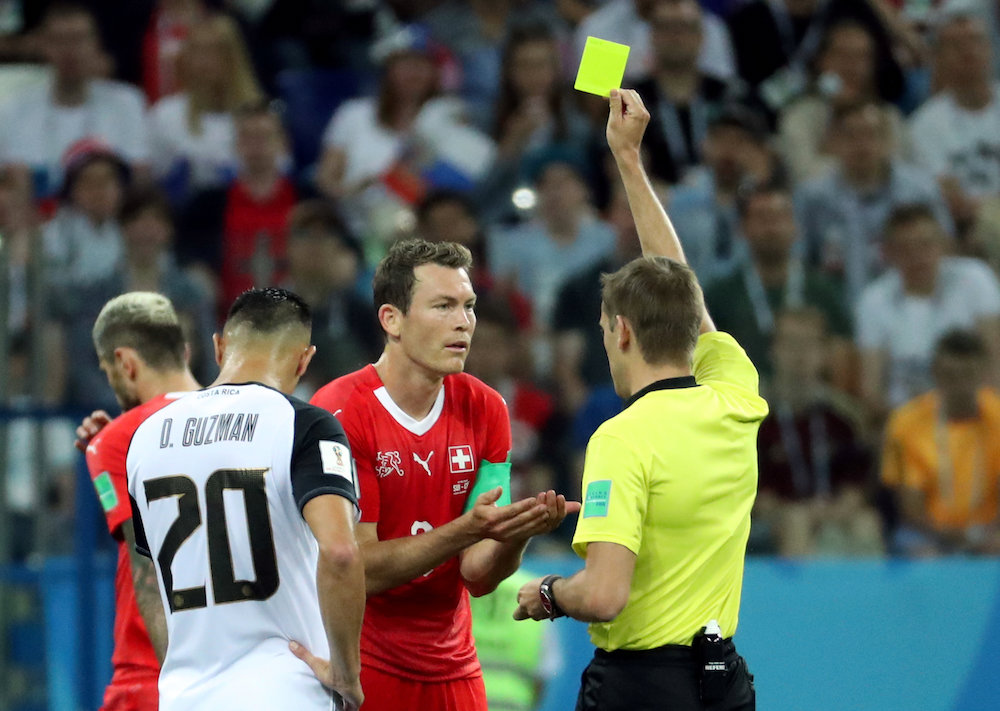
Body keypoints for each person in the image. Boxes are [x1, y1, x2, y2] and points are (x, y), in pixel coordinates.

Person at [514, 88, 763, 711]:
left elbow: (603, 596)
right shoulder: (736, 394)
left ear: (621, 331)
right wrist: (628, 159)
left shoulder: (622, 438)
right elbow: (681, 289)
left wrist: (547, 592)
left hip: (642, 690)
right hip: (724, 683)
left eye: (604, 330)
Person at [304, 238, 579, 711]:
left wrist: (515, 533)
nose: (464, 323)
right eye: (443, 306)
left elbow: (477, 574)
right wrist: (466, 529)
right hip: (363, 664)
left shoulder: (486, 407)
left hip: (455, 670)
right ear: (392, 320)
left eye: (468, 306)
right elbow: (361, 567)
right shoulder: (339, 411)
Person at [126, 287, 364, 710]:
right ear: (304, 360)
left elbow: (150, 579)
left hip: (184, 697)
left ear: (218, 347)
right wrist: (346, 673)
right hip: (286, 692)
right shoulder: (305, 425)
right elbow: (342, 552)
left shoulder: (144, 438)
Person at [83, 292, 201, 711]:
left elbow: (146, 566)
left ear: (126, 362)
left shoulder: (113, 442)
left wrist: (180, 686)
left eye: (107, 370)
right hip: (237, 670)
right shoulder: (243, 421)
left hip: (155, 674)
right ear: (183, 351)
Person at [856, 204, 1000, 419]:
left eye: (925, 245)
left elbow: (994, 362)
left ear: (943, 243)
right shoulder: (874, 299)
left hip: (973, 417)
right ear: (889, 253)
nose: (917, 257)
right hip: (907, 421)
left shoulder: (975, 278)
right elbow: (872, 389)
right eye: (905, 248)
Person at [882, 330, 1000, 556]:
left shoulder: (997, 417)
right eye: (951, 376)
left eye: (968, 375)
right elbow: (910, 508)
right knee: (922, 553)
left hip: (988, 529)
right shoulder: (906, 422)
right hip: (927, 531)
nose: (960, 386)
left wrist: (985, 536)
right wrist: (952, 537)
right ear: (935, 373)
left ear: (984, 373)